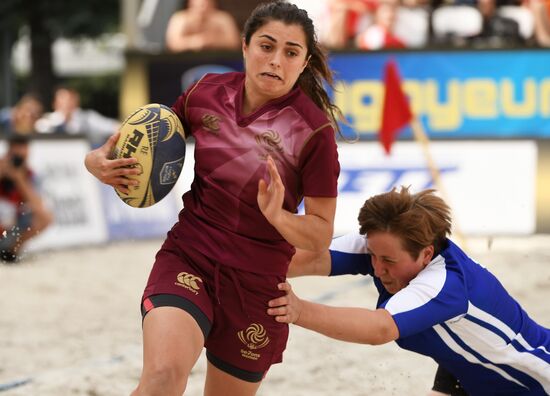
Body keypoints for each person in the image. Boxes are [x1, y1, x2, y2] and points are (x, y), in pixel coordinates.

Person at [84, 1, 342, 395]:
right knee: (163, 376)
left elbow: (320, 236)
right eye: (266, 46)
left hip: (256, 287)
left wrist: (279, 217)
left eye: (291, 52)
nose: (275, 60)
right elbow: (145, 142)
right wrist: (96, 161)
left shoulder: (314, 132)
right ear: (244, 46)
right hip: (190, 258)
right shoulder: (205, 92)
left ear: (304, 63)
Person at [268, 186, 550, 395]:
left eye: (388, 261)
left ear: (426, 254)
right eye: (373, 255)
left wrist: (299, 310)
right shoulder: (384, 244)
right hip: (469, 371)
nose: (377, 268)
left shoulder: (445, 284)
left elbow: (379, 329)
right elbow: (313, 258)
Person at [0, 134, 53, 262]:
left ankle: (9, 252)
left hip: (11, 227)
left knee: (45, 217)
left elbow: (38, 207)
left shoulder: (31, 175)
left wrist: (19, 179)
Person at [35, 86, 119, 144]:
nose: (67, 103)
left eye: (70, 99)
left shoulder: (87, 117)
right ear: (54, 103)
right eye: (63, 99)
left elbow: (114, 127)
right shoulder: (46, 121)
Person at [165, 0, 241, 52]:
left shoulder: (223, 18)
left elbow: (234, 42)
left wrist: (212, 41)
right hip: (185, 61)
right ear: (191, 3)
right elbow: (172, 44)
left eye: (206, 3)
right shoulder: (180, 19)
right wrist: (194, 42)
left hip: (218, 60)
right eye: (200, 4)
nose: (203, 8)